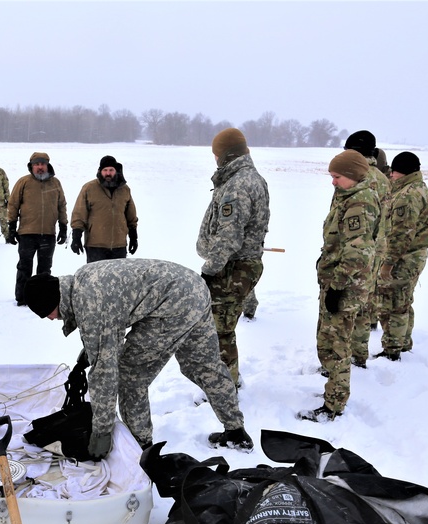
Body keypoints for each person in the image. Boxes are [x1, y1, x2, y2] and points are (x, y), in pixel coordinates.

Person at [24, 259, 253, 454]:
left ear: (53, 301)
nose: (49, 319)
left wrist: (101, 432)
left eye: (46, 313)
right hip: (193, 288)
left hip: (171, 304)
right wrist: (85, 357)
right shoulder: (81, 281)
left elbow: (105, 370)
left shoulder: (89, 303)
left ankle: (141, 446)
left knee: (129, 375)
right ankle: (236, 430)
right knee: (204, 365)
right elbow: (108, 325)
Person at [299, 150, 378, 423]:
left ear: (353, 176)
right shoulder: (348, 196)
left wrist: (337, 286)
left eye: (337, 177)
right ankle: (332, 391)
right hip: (337, 281)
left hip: (344, 286)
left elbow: (358, 253)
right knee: (329, 341)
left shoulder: (359, 204)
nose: (333, 182)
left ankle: (333, 405)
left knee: (337, 346)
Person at [197, 128, 269, 387]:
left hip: (231, 269)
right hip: (237, 266)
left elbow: (229, 236)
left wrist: (210, 269)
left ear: (225, 155)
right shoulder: (250, 178)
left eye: (216, 154)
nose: (215, 159)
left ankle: (224, 387)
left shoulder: (237, 185)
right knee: (222, 329)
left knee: (219, 332)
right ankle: (226, 382)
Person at [375, 151, 428, 360]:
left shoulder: (407, 196)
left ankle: (392, 350)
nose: (391, 175)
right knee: (403, 301)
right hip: (414, 256)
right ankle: (403, 343)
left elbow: (401, 235)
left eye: (394, 171)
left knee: (391, 304)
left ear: (402, 172)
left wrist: (387, 264)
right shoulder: (419, 188)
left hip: (403, 258)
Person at [343, 130, 391, 368]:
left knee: (348, 303)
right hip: (377, 249)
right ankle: (358, 354)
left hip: (357, 249)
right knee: (364, 301)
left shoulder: (357, 175)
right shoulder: (383, 178)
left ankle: (345, 358)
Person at [6, 152, 68, 305]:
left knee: (45, 268)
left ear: (47, 165)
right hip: (27, 233)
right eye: (36, 164)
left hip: (48, 233)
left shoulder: (56, 183)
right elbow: (13, 204)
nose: (40, 167)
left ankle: (41, 298)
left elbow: (61, 205)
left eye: (42, 164)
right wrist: (12, 227)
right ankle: (22, 298)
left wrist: (63, 226)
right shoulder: (24, 182)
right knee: (24, 266)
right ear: (32, 166)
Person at [70, 155, 138, 262]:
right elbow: (79, 214)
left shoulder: (124, 190)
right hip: (95, 245)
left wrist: (133, 237)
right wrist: (76, 237)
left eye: (111, 170)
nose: (108, 173)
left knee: (118, 278)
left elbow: (131, 217)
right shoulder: (89, 188)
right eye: (105, 170)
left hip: (119, 246)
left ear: (116, 171)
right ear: (100, 171)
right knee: (95, 278)